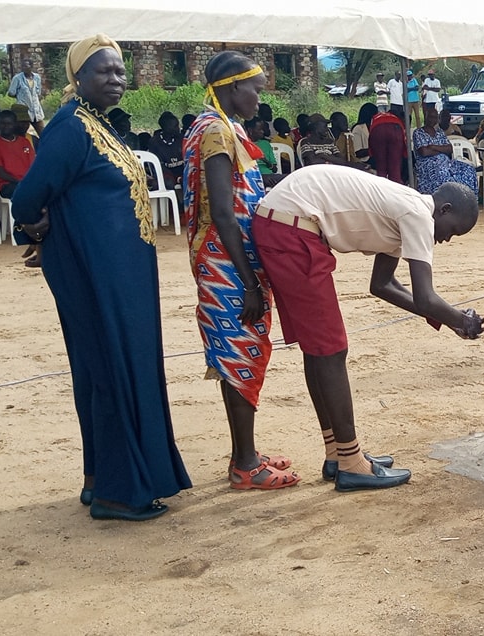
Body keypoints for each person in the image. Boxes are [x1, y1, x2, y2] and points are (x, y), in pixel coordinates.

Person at [10, 35, 190, 522]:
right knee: (110, 367)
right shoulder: (70, 127)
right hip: (92, 273)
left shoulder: (98, 123)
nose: (117, 78)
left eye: (120, 70)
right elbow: (26, 198)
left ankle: (99, 478)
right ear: (78, 77)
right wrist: (35, 227)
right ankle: (118, 493)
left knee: (106, 369)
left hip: (123, 274)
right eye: (104, 70)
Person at [250, 166, 483, 490]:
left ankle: (337, 454)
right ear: (444, 210)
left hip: (284, 222)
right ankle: (351, 463)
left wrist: (450, 319)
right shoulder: (418, 213)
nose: (446, 239)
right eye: (452, 230)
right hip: (291, 228)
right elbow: (425, 298)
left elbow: (383, 284)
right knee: (331, 350)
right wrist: (461, 320)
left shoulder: (405, 209)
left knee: (319, 349)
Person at [181, 51, 298, 491]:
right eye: (256, 89)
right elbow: (223, 213)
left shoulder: (223, 127)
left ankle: (244, 453)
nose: (259, 98)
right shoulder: (215, 131)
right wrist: (249, 282)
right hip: (226, 264)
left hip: (231, 259)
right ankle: (245, 465)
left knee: (240, 351)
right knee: (238, 354)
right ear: (233, 87)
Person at [0, 110, 37, 250]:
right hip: (8, 185)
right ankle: (26, 231)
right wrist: (21, 183)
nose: (5, 127)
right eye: (2, 124)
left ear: (15, 125)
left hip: (27, 183)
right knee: (27, 194)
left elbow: (33, 167)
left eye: (9, 124)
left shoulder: (25, 142)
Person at [413, 103, 478, 195]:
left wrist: (433, 147)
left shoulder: (439, 132)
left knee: (469, 169)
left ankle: (469, 198)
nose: (432, 119)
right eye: (430, 117)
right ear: (425, 117)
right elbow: (424, 152)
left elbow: (450, 149)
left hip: (446, 163)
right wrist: (441, 149)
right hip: (427, 165)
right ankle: (446, 197)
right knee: (442, 172)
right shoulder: (418, 133)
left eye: (435, 117)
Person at [149, 111, 185, 195]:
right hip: (165, 173)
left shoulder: (181, 138)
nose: (178, 128)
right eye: (175, 126)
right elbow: (158, 164)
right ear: (167, 127)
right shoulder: (155, 142)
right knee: (168, 183)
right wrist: (176, 178)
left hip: (182, 171)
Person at [368, 106, 407, 183]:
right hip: (395, 129)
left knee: (381, 169)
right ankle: (395, 188)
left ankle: (382, 188)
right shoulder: (398, 120)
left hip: (377, 128)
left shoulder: (377, 117)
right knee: (395, 170)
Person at [7, 57, 46, 134]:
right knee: (21, 133)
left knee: (43, 133)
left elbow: (38, 92)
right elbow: (11, 93)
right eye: (23, 66)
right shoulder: (17, 78)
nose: (24, 68)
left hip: (36, 111)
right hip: (23, 111)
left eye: (26, 66)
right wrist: (20, 97)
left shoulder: (37, 77)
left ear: (31, 66)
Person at [351, 103, 377, 169]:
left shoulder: (375, 127)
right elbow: (357, 152)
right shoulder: (358, 128)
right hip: (364, 161)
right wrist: (375, 150)